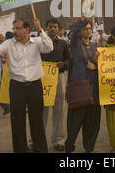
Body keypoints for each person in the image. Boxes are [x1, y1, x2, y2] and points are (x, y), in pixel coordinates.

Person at [0, 18, 53, 153]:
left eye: (18, 28)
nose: (15, 31)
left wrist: (41, 30)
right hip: (16, 87)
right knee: (17, 122)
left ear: (27, 29)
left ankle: (40, 149)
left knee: (37, 121)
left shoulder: (37, 42)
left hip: (35, 86)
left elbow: (49, 47)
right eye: (14, 28)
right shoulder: (8, 44)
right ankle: (20, 150)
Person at [65, 17, 100, 153]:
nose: (88, 31)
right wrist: (80, 21)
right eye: (85, 28)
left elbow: (102, 64)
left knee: (92, 121)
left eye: (90, 28)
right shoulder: (75, 44)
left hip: (93, 88)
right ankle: (69, 145)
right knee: (75, 120)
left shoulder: (95, 45)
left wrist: (96, 66)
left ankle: (89, 147)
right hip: (79, 86)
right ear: (80, 31)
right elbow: (73, 34)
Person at [40, 18, 71, 151]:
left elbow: (69, 60)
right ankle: (37, 140)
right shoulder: (39, 43)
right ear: (45, 27)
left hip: (58, 78)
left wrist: (63, 64)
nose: (53, 29)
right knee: (41, 111)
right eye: (50, 26)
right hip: (42, 79)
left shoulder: (63, 44)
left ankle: (58, 140)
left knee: (59, 110)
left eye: (55, 27)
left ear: (59, 29)